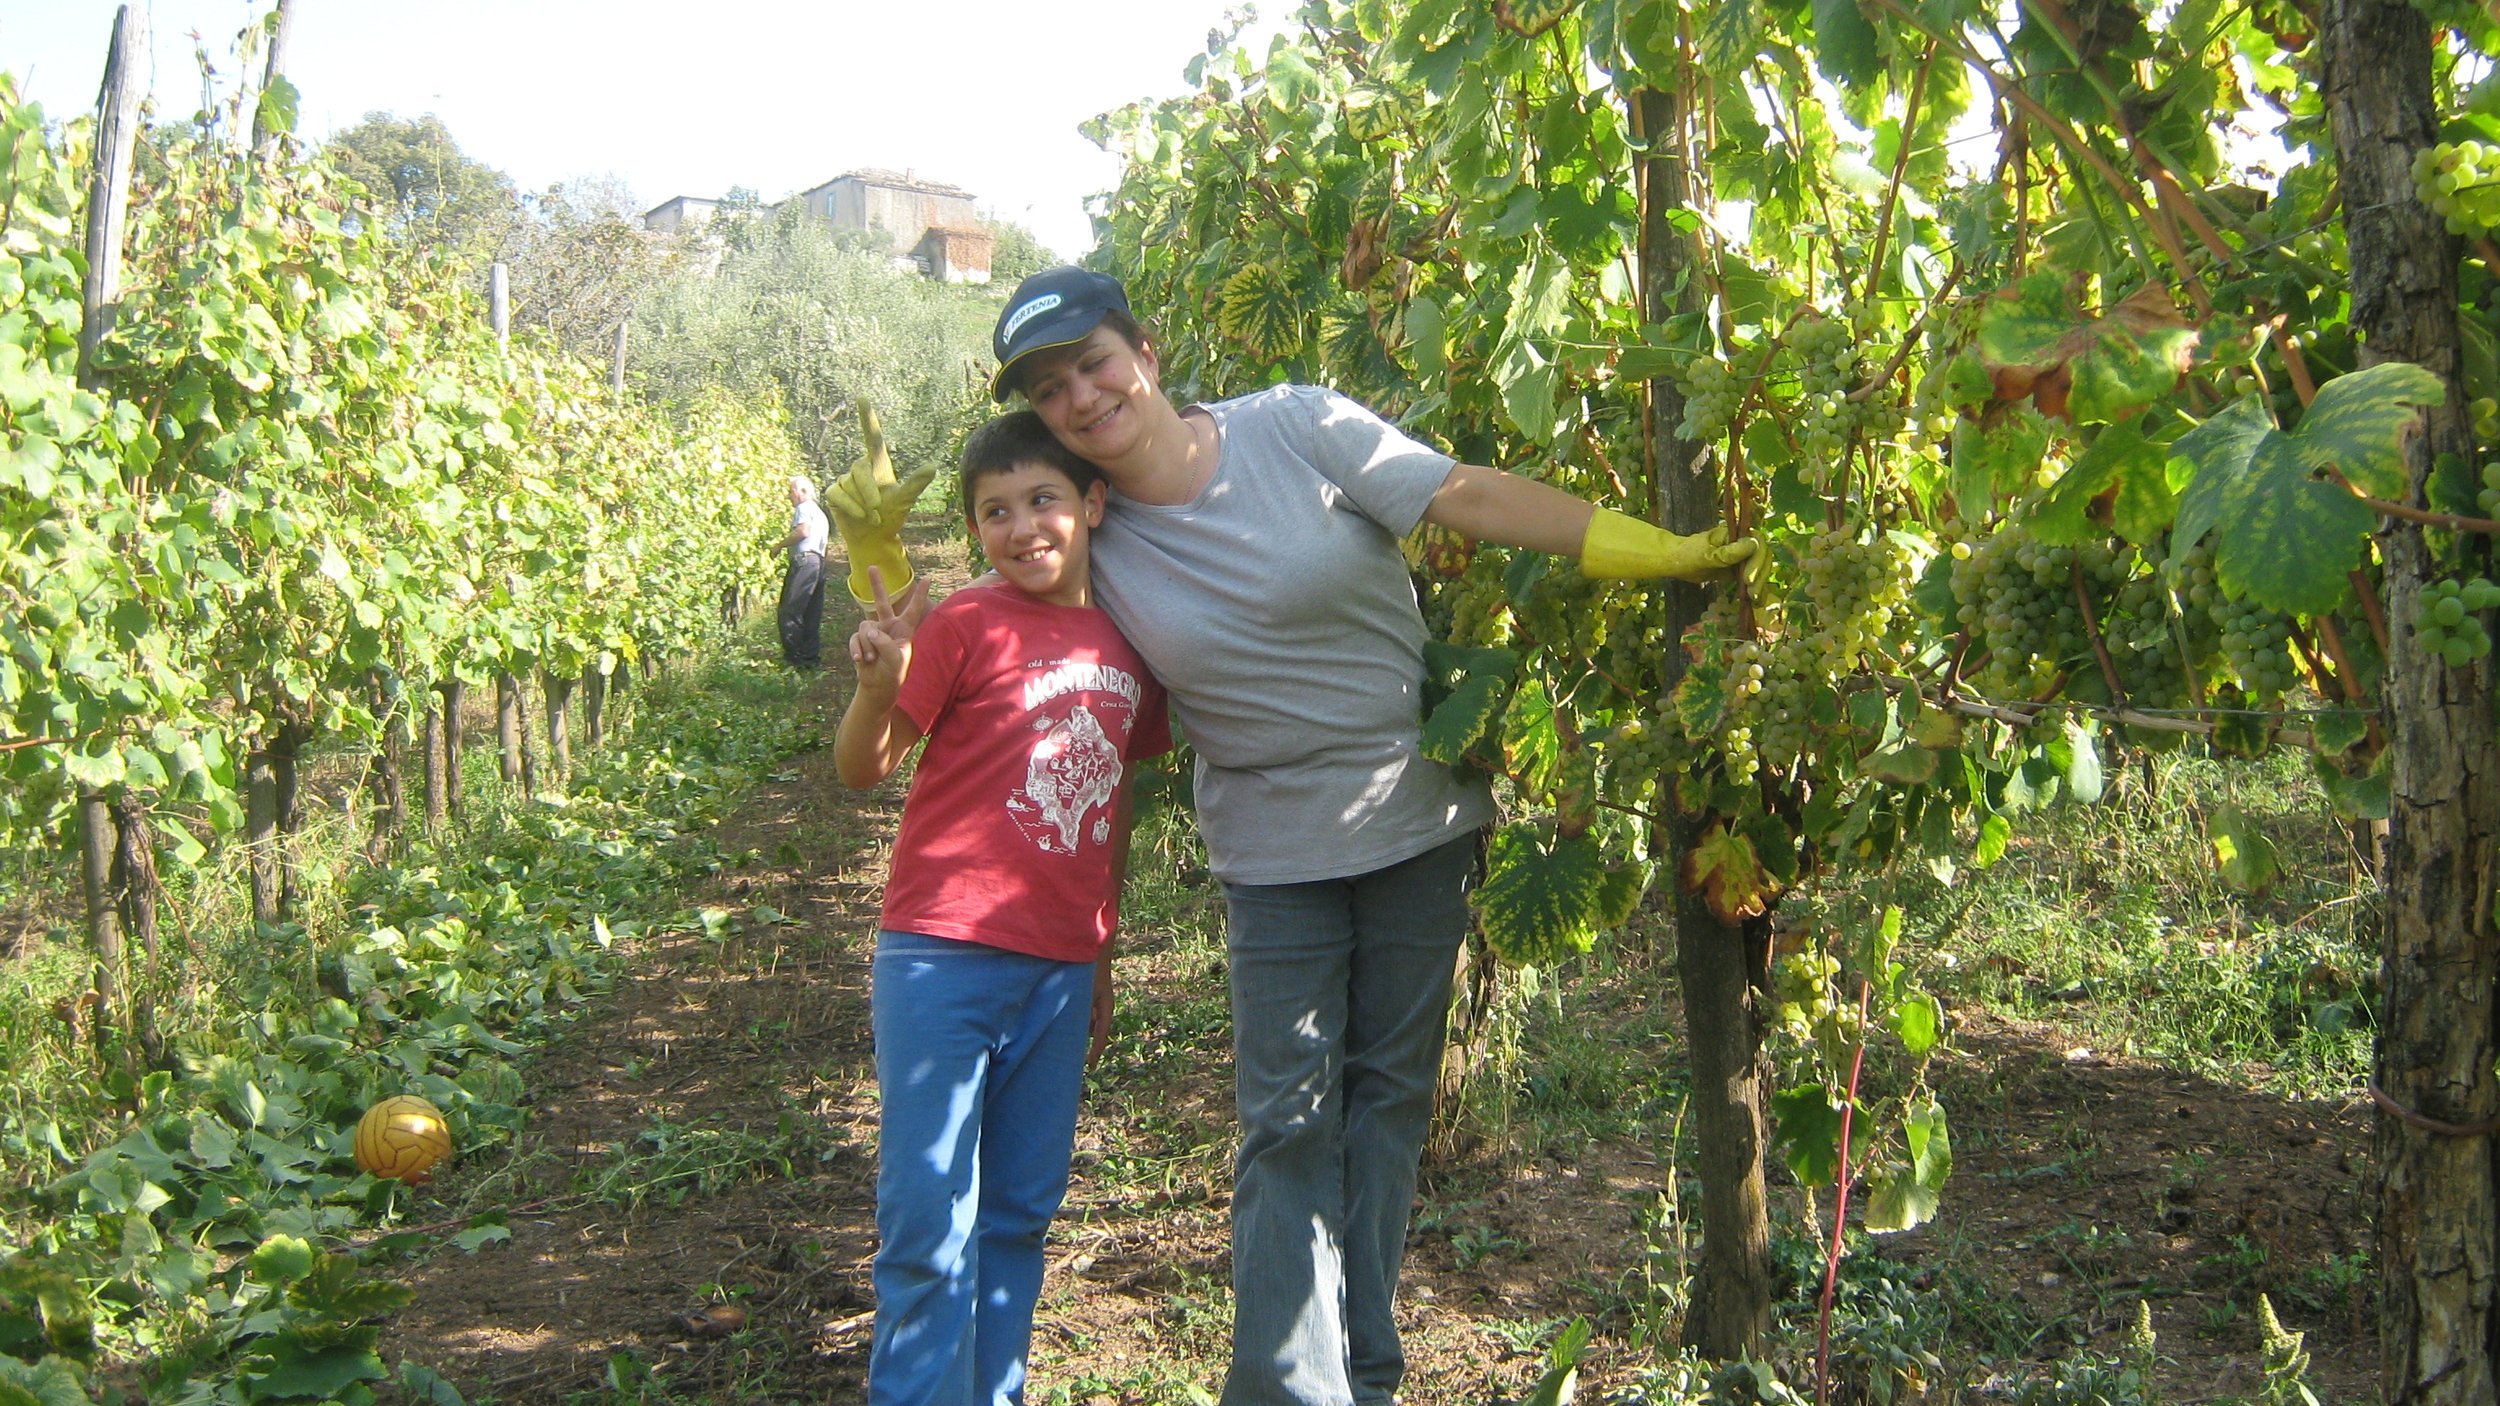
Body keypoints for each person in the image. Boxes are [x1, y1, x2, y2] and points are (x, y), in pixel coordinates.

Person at [982, 266, 1756, 1406]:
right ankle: (1289, 1391)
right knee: (1285, 1127)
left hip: (1416, 824)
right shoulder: (1086, 531)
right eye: (1049, 390)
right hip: (1273, 856)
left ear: (1143, 346)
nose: (1081, 397)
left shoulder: (1294, 424)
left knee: (1387, 1107)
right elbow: (1017, 647)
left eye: (1091, 361)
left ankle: (1366, 1373)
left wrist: (1652, 550)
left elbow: (1465, 497)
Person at [835, 410, 1172, 1406]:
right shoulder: (963, 624)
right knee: (925, 1218)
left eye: (1043, 499)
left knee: (1020, 1210)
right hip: (940, 954)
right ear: (975, 529)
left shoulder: (1131, 642)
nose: (1023, 525)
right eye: (995, 510)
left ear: (1092, 503)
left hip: (1060, 970)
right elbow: (864, 767)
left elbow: (1108, 808)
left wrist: (1099, 957)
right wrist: (876, 686)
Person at [776, 473, 831, 669]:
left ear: (803, 492)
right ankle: (810, 658)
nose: (789, 496)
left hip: (805, 561)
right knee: (811, 612)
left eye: (791, 491)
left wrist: (779, 546)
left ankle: (794, 658)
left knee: (789, 611)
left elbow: (803, 532)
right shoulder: (820, 514)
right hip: (818, 563)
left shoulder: (804, 508)